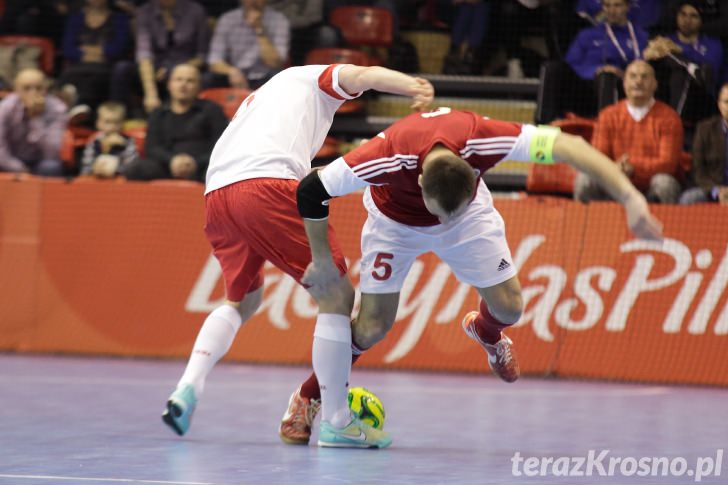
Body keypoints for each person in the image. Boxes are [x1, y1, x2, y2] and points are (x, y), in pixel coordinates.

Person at [290, 106, 663, 442]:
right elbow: (311, 189)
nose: (440, 223)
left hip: (467, 220)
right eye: (438, 214)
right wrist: (322, 259)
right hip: (394, 223)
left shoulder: (482, 138)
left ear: (473, 171)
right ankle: (308, 396)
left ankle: (485, 331)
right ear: (420, 182)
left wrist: (631, 197)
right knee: (372, 327)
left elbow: (569, 146)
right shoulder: (385, 156)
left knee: (510, 308)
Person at [160, 63, 434, 449]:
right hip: (265, 185)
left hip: (217, 193)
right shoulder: (312, 77)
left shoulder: (263, 96)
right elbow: (365, 74)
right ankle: (338, 421)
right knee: (337, 297)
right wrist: (413, 85)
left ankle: (187, 387)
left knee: (242, 299)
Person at [574, 60, 684, 204]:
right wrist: (616, 168)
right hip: (614, 180)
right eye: (633, 76)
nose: (638, 81)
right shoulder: (608, 115)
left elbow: (668, 164)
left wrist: (634, 167)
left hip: (649, 185)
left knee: (665, 183)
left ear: (655, 84)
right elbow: (599, 156)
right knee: (585, 179)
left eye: (645, 77)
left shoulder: (669, 117)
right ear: (624, 83)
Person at [124, 64, 228, 181]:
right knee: (136, 169)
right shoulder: (158, 113)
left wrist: (196, 163)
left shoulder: (212, 110)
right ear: (169, 85)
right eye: (179, 80)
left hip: (202, 167)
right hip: (166, 166)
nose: (183, 85)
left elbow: (222, 147)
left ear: (199, 87)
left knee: (219, 174)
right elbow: (152, 148)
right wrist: (172, 160)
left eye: (190, 81)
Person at [643, 1, 723, 123]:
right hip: (667, 93)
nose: (687, 20)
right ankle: (690, 68)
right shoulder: (666, 41)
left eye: (693, 16)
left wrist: (678, 51)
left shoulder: (712, 44)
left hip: (701, 97)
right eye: (683, 14)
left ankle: (673, 122)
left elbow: (709, 73)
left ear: (701, 20)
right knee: (675, 71)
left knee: (682, 72)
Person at [135, 0, 210, 113]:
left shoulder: (195, 11)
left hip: (188, 64)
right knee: (124, 70)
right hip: (155, 68)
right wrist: (151, 94)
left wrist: (175, 71)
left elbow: (202, 54)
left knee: (201, 78)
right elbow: (144, 54)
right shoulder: (144, 12)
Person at [58, 0, 134, 112]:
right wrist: (95, 52)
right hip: (78, 66)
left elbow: (120, 47)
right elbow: (68, 48)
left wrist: (92, 51)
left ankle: (84, 111)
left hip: (108, 66)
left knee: (93, 78)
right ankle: (77, 112)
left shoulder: (119, 18)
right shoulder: (76, 18)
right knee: (70, 76)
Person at [205, 0, 290, 90]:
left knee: (280, 78)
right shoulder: (227, 19)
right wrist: (231, 71)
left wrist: (259, 29)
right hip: (235, 74)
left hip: (265, 75)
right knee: (207, 79)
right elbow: (213, 61)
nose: (253, 1)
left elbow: (276, 63)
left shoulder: (280, 20)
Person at [0, 68, 67, 176]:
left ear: (46, 89)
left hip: (39, 163)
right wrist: (20, 169)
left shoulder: (57, 108)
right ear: (16, 89)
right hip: (10, 161)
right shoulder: (5, 108)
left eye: (38, 88)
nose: (33, 92)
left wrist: (36, 118)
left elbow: (52, 153)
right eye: (27, 88)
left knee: (52, 167)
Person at [680, 83, 728, 204]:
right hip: (711, 189)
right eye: (727, 102)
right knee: (689, 198)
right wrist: (717, 191)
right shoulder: (704, 129)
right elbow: (697, 169)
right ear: (719, 104)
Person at [80, 101, 138, 178]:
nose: (112, 127)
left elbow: (132, 166)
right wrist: (105, 148)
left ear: (122, 123)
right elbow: (86, 166)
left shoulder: (128, 141)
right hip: (95, 179)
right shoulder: (94, 141)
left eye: (116, 122)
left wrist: (121, 147)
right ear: (98, 123)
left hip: (119, 181)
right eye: (107, 122)